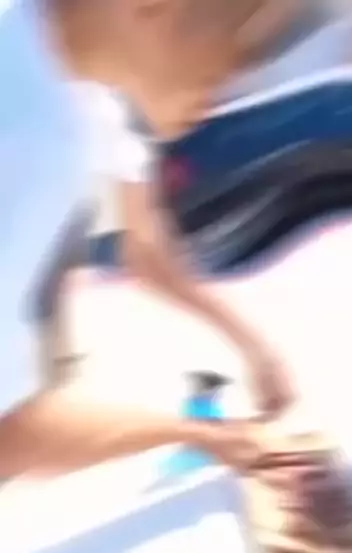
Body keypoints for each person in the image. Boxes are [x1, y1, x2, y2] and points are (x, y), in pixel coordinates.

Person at [0, 0, 299, 481]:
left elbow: (149, 250)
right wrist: (203, 435)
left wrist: (253, 349)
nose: (224, 90)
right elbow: (8, 437)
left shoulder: (72, 89)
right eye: (236, 46)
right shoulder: (40, 130)